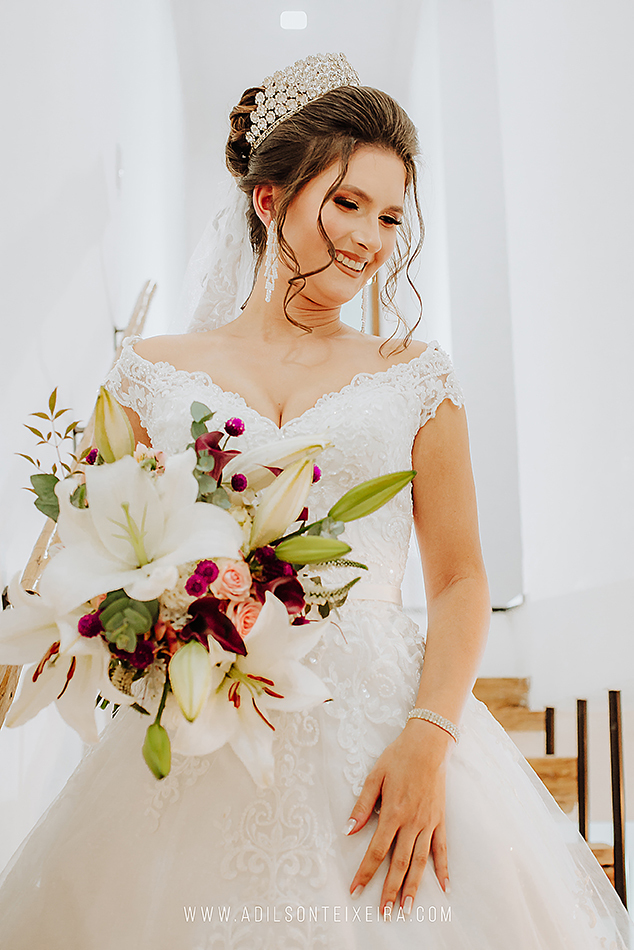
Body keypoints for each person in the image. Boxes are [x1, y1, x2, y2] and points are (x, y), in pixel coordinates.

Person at [0, 52, 631, 950]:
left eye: (389, 215)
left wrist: (428, 740)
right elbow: (87, 550)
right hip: (203, 722)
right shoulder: (152, 372)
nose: (370, 238)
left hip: (381, 727)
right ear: (269, 201)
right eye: (345, 203)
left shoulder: (418, 379)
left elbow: (458, 579)